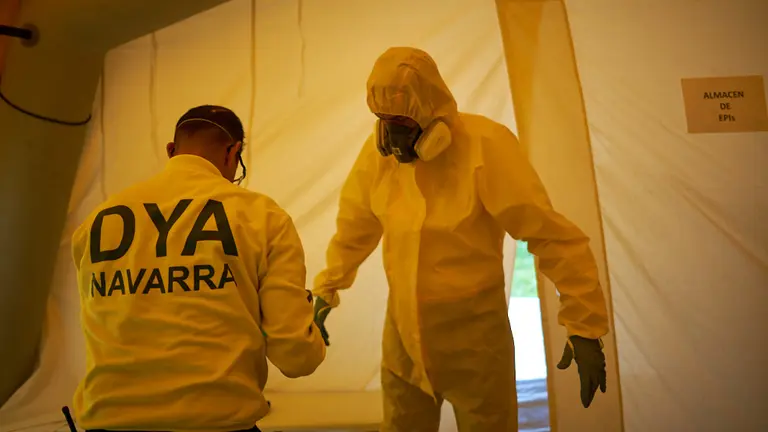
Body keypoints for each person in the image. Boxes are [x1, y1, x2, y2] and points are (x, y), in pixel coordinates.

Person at [312, 47, 609, 431]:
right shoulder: (378, 158)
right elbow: (355, 223)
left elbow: (550, 236)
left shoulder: (485, 146)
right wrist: (327, 288)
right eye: (383, 119)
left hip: (476, 350)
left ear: (429, 109)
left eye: (401, 119)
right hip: (403, 346)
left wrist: (584, 324)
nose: (392, 133)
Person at [70, 105, 326, 432]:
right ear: (233, 153)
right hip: (216, 422)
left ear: (171, 150)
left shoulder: (97, 222)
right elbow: (296, 357)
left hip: (108, 420)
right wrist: (309, 328)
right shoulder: (261, 216)